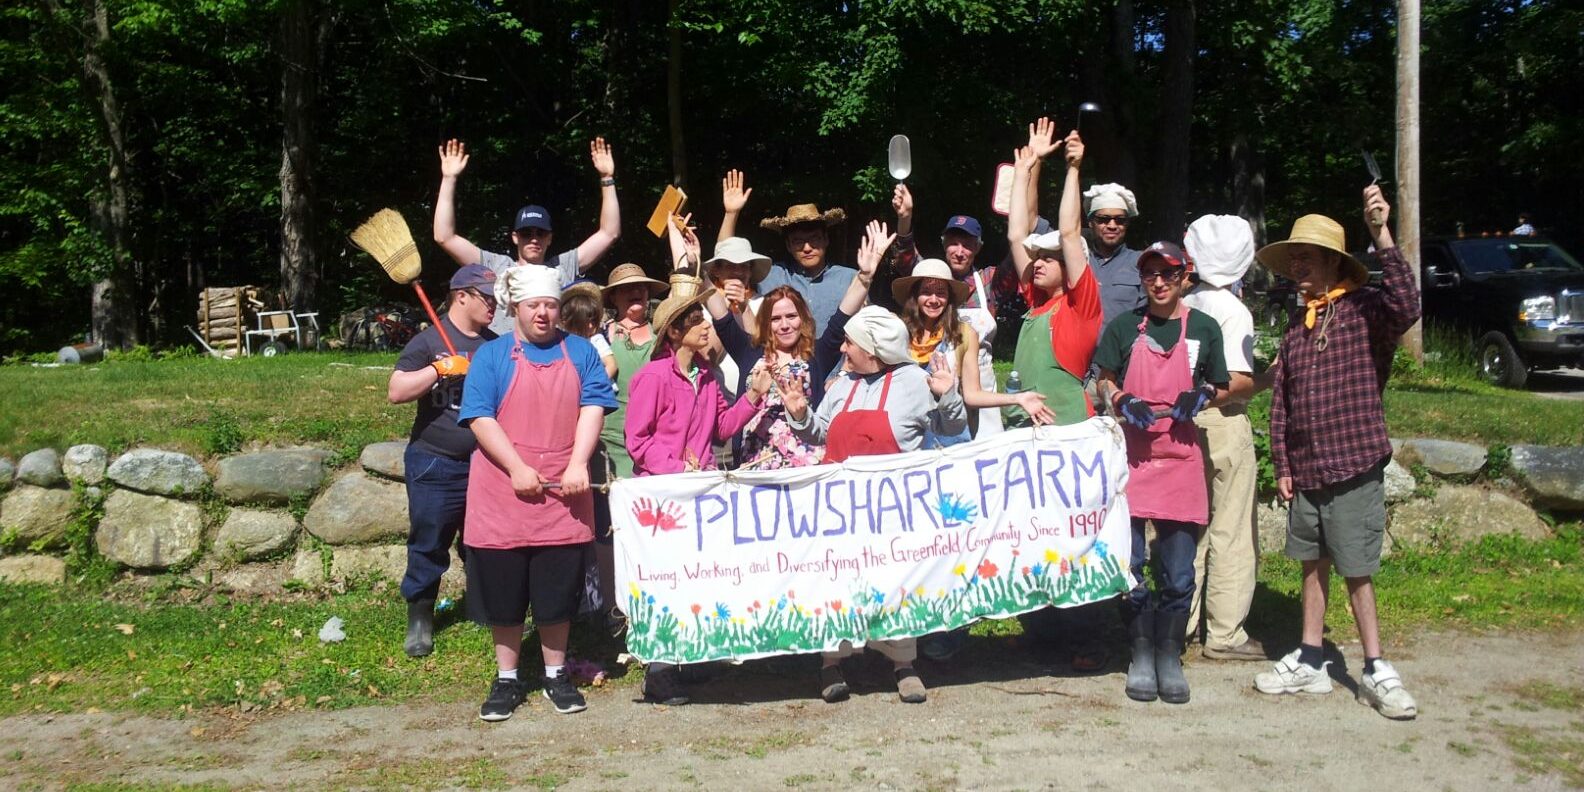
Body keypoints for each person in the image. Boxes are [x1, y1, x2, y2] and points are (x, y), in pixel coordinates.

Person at [1253, 186, 1420, 720]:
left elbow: (1407, 305)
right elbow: (1282, 403)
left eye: (1307, 258)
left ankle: (1375, 668)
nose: (1297, 267)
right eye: (1293, 258)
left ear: (1332, 263)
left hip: (1353, 466)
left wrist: (1380, 233)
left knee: (1357, 569)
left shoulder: (1366, 312)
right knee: (1311, 564)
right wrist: (1283, 464)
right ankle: (1310, 659)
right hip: (1309, 472)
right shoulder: (1298, 332)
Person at [457, 266, 617, 722]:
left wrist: (577, 463)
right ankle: (506, 679)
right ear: (515, 309)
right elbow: (480, 417)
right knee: (504, 597)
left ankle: (555, 674)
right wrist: (517, 467)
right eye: (534, 306)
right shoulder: (491, 358)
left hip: (564, 493)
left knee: (555, 594)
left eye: (550, 305)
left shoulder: (581, 352)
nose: (543, 314)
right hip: (502, 494)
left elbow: (593, 408)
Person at [783, 306, 967, 705]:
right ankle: (831, 661)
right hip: (839, 510)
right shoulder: (841, 383)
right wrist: (800, 416)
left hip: (893, 512)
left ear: (874, 349)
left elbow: (952, 428)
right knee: (836, 582)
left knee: (896, 583)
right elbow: (821, 436)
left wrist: (947, 394)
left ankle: (903, 664)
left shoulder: (915, 381)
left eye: (850, 342)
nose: (843, 348)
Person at [626, 225, 774, 705]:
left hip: (701, 490)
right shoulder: (652, 377)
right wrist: (676, 468)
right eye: (699, 323)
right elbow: (637, 441)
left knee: (695, 573)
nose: (708, 327)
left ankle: (688, 659)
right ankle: (660, 672)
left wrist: (753, 396)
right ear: (675, 332)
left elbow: (724, 428)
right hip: (662, 496)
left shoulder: (708, 379)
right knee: (664, 579)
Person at [1095, 241, 1229, 705]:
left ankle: (1170, 654)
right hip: (1132, 458)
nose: (1158, 282)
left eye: (1167, 274)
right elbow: (1103, 375)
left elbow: (1223, 383)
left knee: (1176, 570)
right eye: (1150, 274)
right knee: (1130, 566)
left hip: (1182, 457)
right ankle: (1140, 652)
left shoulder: (1204, 328)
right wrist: (1117, 399)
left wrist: (1205, 394)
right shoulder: (1124, 327)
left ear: (1183, 276)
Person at [1004, 120, 1110, 673]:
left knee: (1073, 542)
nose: (1038, 259)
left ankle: (1087, 637)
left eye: (1047, 258)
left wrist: (1071, 168)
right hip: (1029, 445)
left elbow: (1068, 234)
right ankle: (1041, 632)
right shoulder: (1032, 303)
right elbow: (1017, 233)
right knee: (1032, 540)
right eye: (1034, 258)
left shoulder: (1078, 307)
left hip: (1069, 443)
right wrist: (1027, 168)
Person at [705, 222, 887, 470]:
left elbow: (844, 313)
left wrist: (865, 276)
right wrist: (693, 265)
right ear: (766, 323)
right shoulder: (749, 352)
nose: (784, 325)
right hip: (754, 467)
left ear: (802, 318)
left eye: (791, 316)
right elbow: (716, 308)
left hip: (805, 469)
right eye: (776, 319)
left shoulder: (817, 355)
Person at [387, 264, 499, 658]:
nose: (494, 303)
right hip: (435, 461)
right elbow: (397, 391)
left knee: (483, 541)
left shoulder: (493, 344)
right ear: (461, 295)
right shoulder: (428, 341)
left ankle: (483, 607)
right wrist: (439, 369)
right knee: (430, 540)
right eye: (487, 296)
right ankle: (420, 616)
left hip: (485, 463)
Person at [1181, 215, 1271, 662]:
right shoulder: (1233, 311)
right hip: (1222, 419)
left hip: (1184, 425)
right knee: (1231, 528)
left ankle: (1183, 619)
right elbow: (1234, 381)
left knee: (1189, 526)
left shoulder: (1182, 302)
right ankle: (1224, 631)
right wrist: (1269, 377)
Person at [432, 137, 622, 335]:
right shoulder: (496, 266)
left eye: (541, 233)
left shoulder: (561, 266)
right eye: (526, 233)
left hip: (550, 360)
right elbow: (444, 237)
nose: (533, 238)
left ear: (550, 238)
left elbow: (609, 233)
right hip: (504, 359)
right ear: (515, 237)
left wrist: (607, 178)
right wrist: (448, 179)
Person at [890, 184, 1006, 437]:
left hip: (979, 382)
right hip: (935, 385)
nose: (960, 251)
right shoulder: (930, 274)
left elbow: (1016, 265)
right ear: (944, 245)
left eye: (967, 245)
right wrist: (905, 218)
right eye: (954, 243)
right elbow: (905, 256)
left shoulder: (989, 280)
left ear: (977, 248)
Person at [748, 191, 859, 337]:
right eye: (798, 242)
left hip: (839, 359)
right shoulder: (769, 275)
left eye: (814, 239)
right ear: (788, 245)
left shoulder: (850, 279)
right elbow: (726, 269)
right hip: (782, 359)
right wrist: (732, 214)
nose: (807, 248)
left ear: (826, 239)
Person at [598, 264, 669, 480]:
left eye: (641, 287)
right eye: (627, 288)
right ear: (613, 297)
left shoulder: (663, 336)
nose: (635, 291)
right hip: (611, 440)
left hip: (655, 443)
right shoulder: (600, 336)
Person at [1083, 181, 1145, 325]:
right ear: (1091, 222)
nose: (1112, 225)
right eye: (1103, 219)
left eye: (1120, 220)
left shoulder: (1141, 262)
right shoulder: (1079, 261)